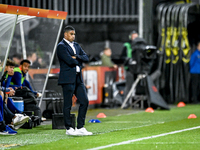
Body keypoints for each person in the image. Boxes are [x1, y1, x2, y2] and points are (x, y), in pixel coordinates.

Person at [56, 25, 92, 136]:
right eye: (71, 34)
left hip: (78, 78)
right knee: (68, 104)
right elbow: (69, 61)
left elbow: (86, 58)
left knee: (84, 101)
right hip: (67, 78)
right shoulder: (61, 46)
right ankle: (69, 128)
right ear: (65, 34)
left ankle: (80, 127)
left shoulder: (76, 45)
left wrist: (76, 57)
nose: (73, 36)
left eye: (74, 34)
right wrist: (78, 59)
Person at [120, 30, 139, 107]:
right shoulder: (127, 45)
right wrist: (128, 59)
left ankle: (137, 102)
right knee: (129, 86)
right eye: (133, 36)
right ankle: (126, 102)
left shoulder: (140, 45)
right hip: (130, 68)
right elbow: (122, 56)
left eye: (136, 36)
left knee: (138, 86)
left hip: (138, 68)